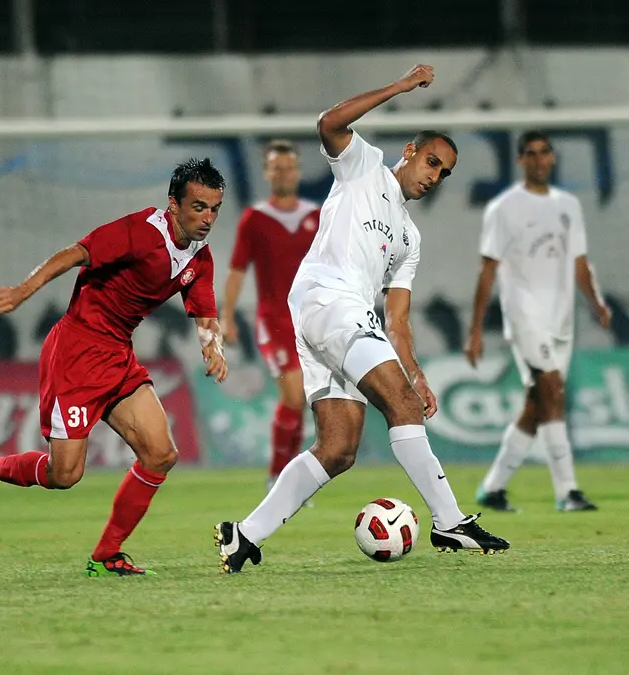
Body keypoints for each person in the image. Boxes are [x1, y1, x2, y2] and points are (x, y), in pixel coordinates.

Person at [214, 64, 510, 574]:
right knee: (401, 408)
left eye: (444, 173)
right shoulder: (364, 166)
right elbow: (328, 123)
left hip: (331, 318)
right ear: (411, 152)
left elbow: (397, 317)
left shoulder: (410, 240)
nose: (433, 177)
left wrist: (414, 371)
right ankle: (449, 520)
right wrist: (398, 87)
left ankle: (243, 535)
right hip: (329, 302)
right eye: (432, 162)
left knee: (339, 448)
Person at [0, 158, 228, 576]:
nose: (208, 218)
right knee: (64, 474)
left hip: (117, 355)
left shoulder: (199, 257)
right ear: (173, 204)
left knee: (160, 454)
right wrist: (23, 291)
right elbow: (77, 253)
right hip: (75, 354)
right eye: (199, 206)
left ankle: (106, 554)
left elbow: (204, 312)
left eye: (215, 208)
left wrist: (212, 346)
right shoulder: (141, 232)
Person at [465, 131, 611, 513]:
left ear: (553, 158)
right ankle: (568, 491)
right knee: (552, 391)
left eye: (545, 153)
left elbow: (579, 260)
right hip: (524, 313)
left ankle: (493, 488)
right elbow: (487, 270)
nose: (539, 160)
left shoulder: (568, 206)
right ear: (521, 161)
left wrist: (596, 302)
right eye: (531, 154)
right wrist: (475, 330)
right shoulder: (504, 208)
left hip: (561, 318)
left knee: (538, 404)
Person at [221, 140, 320, 491]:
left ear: (298, 172)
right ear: (267, 173)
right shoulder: (255, 219)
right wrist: (227, 316)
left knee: (305, 400)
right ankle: (278, 476)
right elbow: (236, 270)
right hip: (274, 320)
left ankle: (289, 477)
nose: (283, 173)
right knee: (293, 395)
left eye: (289, 167)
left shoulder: (316, 216)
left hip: (312, 320)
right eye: (276, 167)